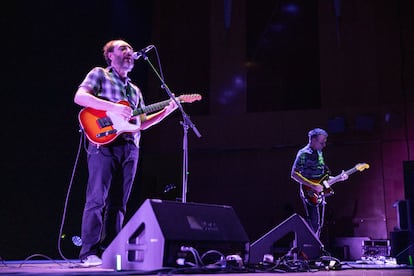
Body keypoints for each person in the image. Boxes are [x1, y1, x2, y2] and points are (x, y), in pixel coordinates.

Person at [74, 39, 179, 266]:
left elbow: (140, 123)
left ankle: (109, 251)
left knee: (119, 203)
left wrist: (167, 112)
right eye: (123, 48)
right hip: (103, 144)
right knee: (96, 200)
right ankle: (88, 253)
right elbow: (80, 97)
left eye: (130, 49)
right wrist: (112, 107)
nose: (129, 52)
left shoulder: (135, 90)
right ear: (110, 55)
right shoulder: (100, 74)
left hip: (130, 147)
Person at [291, 128, 347, 237]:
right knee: (313, 223)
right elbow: (294, 174)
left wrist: (338, 178)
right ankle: (308, 250)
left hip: (318, 191)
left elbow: (321, 178)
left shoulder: (319, 153)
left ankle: (316, 249)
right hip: (309, 191)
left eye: (325, 142)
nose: (324, 145)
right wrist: (312, 185)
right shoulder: (303, 154)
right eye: (322, 142)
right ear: (313, 140)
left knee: (319, 225)